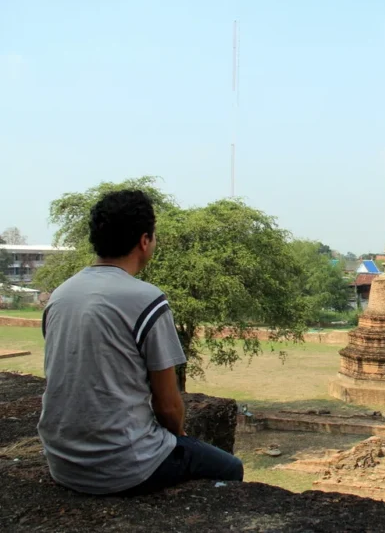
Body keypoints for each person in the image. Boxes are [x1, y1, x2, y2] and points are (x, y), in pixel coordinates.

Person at [38, 190, 244, 495]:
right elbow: (167, 406)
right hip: (123, 467)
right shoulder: (147, 299)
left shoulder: (61, 295)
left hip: (63, 462)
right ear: (144, 241)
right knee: (231, 468)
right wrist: (180, 438)